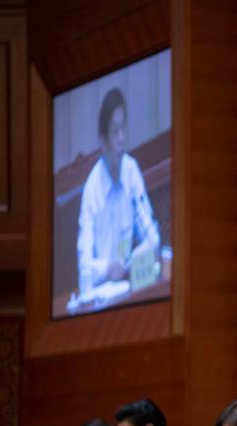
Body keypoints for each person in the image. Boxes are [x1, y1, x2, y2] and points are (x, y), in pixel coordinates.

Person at [77, 87, 160, 293]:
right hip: (103, 293)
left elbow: (153, 237)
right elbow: (84, 268)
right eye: (115, 132)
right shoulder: (92, 191)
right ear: (102, 141)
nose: (121, 138)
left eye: (123, 129)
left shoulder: (131, 171)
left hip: (130, 285)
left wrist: (133, 260)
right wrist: (107, 268)